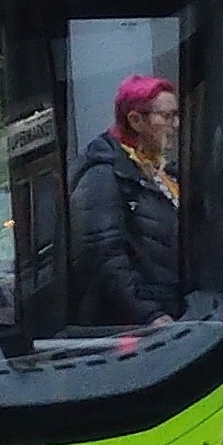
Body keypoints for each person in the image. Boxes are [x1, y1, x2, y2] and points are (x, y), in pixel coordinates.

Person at [69, 75, 184, 326]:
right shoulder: (103, 174)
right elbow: (103, 255)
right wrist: (149, 314)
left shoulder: (160, 171)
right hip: (131, 325)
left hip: (169, 311)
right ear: (136, 120)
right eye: (167, 116)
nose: (175, 125)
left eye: (176, 115)